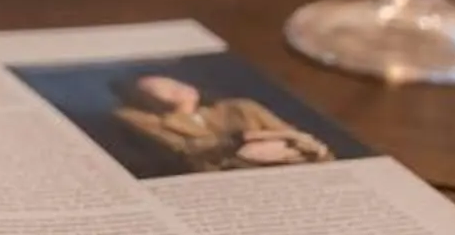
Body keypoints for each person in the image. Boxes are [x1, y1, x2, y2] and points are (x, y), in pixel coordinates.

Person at [112, 73, 331, 173]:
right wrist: (246, 141)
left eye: (171, 81)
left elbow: (293, 135)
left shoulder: (241, 107)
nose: (172, 87)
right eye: (155, 87)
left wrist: (291, 143)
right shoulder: (148, 122)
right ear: (145, 99)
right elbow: (189, 151)